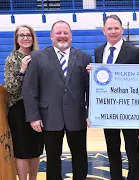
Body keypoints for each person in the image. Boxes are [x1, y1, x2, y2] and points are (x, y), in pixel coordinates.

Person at [22, 20, 91, 180]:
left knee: (80, 157)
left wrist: (91, 113)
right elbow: (30, 89)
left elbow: (91, 89)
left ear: (71, 36)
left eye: (65, 33)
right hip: (49, 116)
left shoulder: (84, 57)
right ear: (51, 36)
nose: (62, 36)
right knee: (52, 159)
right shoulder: (38, 57)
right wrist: (33, 117)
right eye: (58, 33)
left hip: (77, 115)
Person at [87, 15, 139, 180]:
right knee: (112, 147)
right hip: (107, 108)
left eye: (116, 28)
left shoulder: (135, 52)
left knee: (132, 146)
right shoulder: (98, 51)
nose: (113, 31)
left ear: (122, 30)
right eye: (109, 28)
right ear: (104, 31)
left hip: (129, 108)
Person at [4, 24, 43, 180]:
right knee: (21, 150)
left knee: (36, 148)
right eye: (22, 35)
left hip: (38, 108)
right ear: (16, 39)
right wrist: (22, 70)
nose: (26, 38)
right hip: (19, 109)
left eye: (28, 35)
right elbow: (11, 89)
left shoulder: (39, 57)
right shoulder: (12, 58)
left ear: (33, 38)